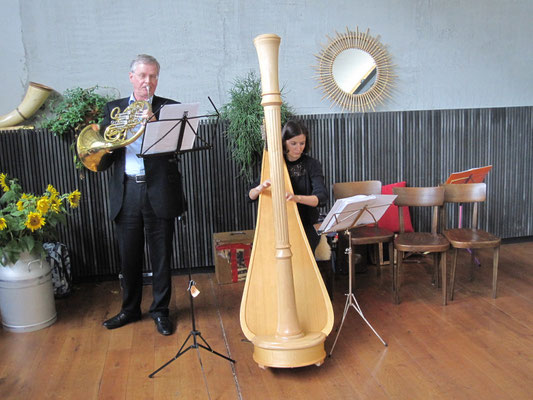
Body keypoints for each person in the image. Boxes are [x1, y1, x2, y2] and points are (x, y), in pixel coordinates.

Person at [101, 54, 186, 335]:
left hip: (158, 189)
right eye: (142, 76)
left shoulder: (168, 108)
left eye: (153, 76)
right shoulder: (112, 109)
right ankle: (129, 309)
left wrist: (155, 126)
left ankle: (160, 311)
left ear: (157, 79)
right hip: (126, 190)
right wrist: (110, 144)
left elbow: (176, 150)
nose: (147, 82)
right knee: (129, 255)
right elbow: (102, 161)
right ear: (131, 77)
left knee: (161, 255)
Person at [248, 120, 328, 252]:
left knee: (302, 249)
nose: (298, 148)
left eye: (302, 143)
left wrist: (295, 198)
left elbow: (321, 198)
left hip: (305, 225)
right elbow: (250, 196)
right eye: (293, 143)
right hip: (278, 226)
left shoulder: (312, 164)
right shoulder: (274, 164)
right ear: (284, 142)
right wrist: (260, 188)